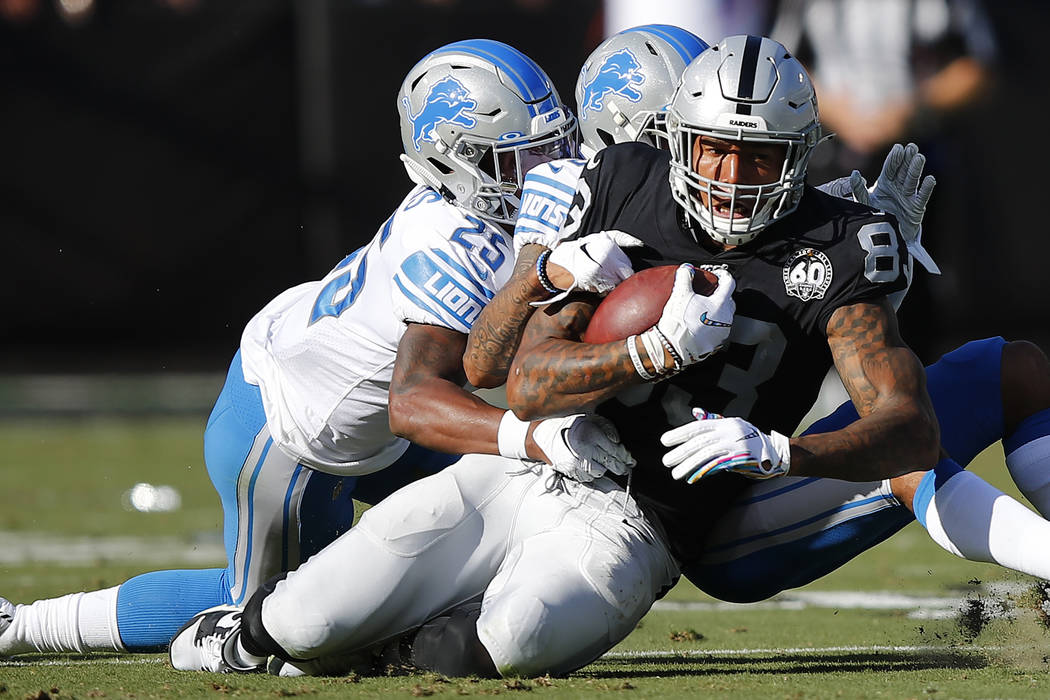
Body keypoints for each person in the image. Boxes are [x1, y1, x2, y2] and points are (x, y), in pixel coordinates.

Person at [0, 39, 635, 659]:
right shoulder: (453, 245)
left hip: (356, 402)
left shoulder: (489, 215)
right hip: (295, 434)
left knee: (499, 512)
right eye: (516, 160)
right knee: (264, 613)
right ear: (453, 163)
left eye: (554, 146)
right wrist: (533, 433)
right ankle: (25, 626)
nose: (546, 172)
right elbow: (414, 401)